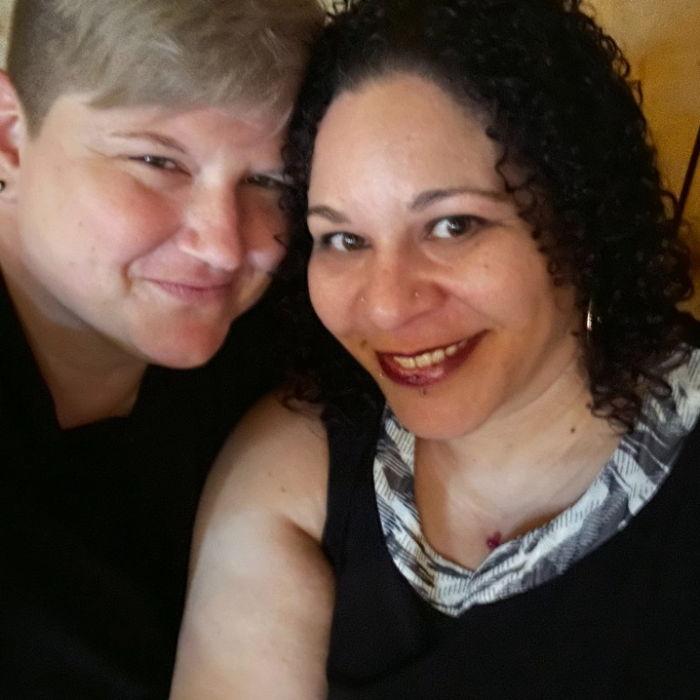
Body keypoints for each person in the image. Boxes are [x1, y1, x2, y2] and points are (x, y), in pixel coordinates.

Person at [173, 0, 699, 697]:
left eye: (453, 226)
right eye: (344, 239)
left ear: (578, 219)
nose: (387, 305)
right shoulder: (296, 468)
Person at [0, 0, 323, 698]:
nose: (225, 246)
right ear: (10, 137)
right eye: (157, 162)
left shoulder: (297, 333)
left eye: (267, 182)